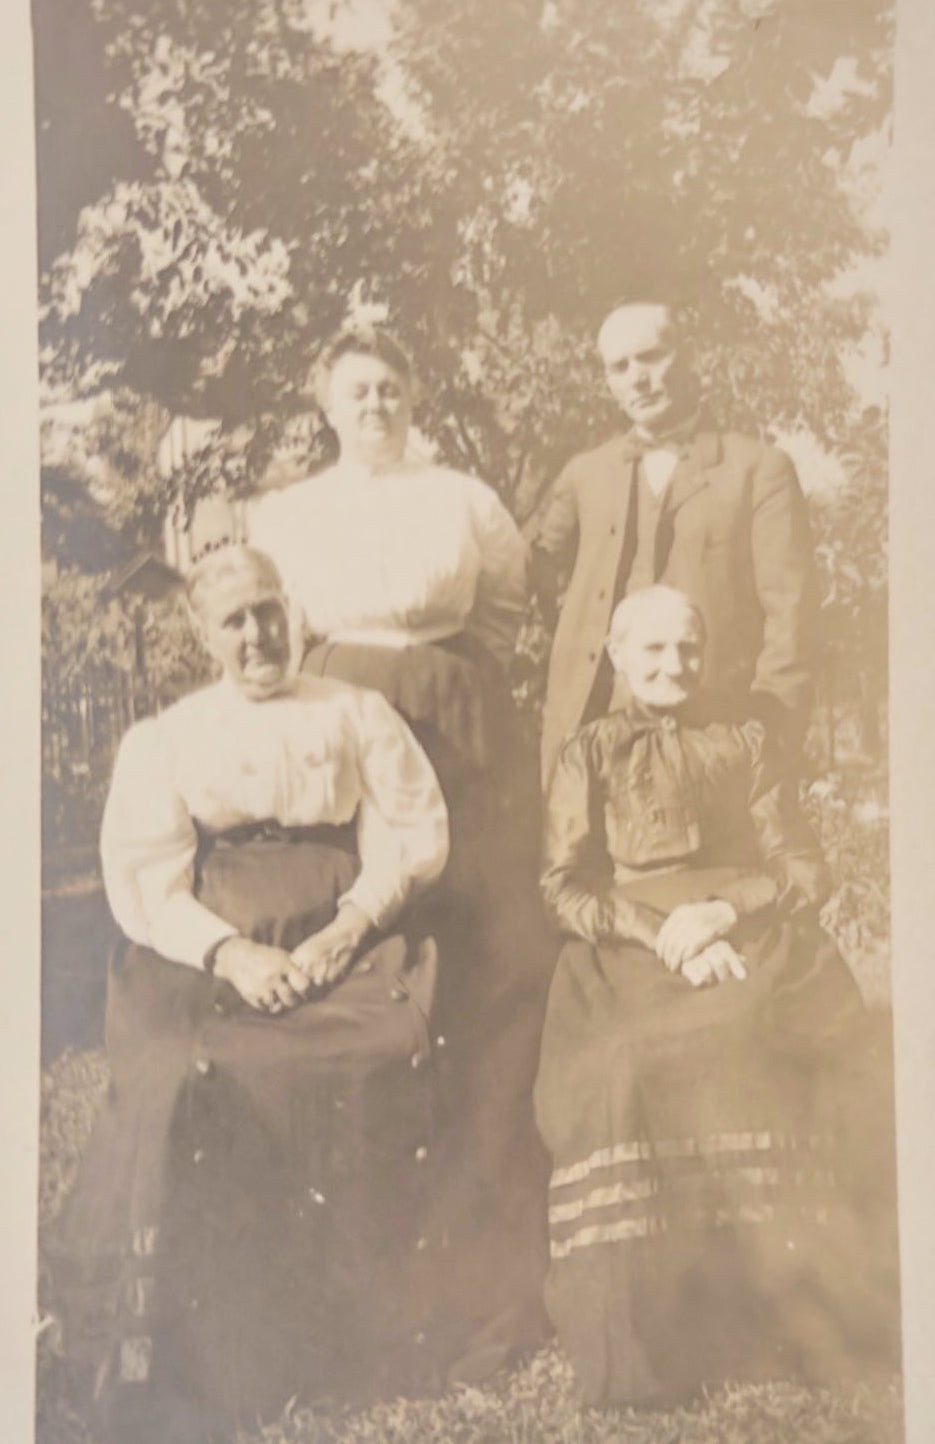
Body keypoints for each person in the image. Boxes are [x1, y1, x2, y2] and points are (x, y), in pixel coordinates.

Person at [51, 546, 451, 1441]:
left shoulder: (356, 711)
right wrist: (231, 955)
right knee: (189, 1073)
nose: (257, 633)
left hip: (345, 929)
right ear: (203, 635)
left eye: (268, 610)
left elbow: (408, 832)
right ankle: (220, 1343)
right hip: (214, 947)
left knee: (383, 1046)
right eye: (232, 620)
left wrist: (349, 928)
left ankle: (363, 1329)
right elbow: (148, 879)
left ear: (291, 612)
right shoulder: (168, 737)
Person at [249, 325, 552, 1379]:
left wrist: (441, 686)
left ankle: (490, 1255)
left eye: (389, 386)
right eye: (356, 391)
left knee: (481, 963)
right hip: (341, 723)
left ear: (412, 394)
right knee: (372, 954)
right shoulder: (287, 514)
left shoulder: (462, 497)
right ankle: (367, 1260)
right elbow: (277, 633)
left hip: (461, 726)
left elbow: (503, 610)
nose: (374, 404)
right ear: (326, 405)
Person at [533, 586, 900, 1406]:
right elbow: (561, 887)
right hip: (629, 947)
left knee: (759, 1036)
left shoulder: (744, 739)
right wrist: (661, 932)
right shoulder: (588, 753)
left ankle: (791, 1316)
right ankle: (650, 1334)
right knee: (623, 1065)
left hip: (747, 931)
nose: (674, 665)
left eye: (688, 648)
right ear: (617, 655)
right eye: (653, 649)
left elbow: (803, 866)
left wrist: (722, 913)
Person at [531, 299, 820, 784]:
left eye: (651, 357)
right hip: (590, 735)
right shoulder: (584, 473)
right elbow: (530, 568)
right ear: (607, 381)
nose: (637, 379)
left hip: (715, 737)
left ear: (688, 359)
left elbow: (792, 617)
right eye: (620, 366)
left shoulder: (759, 469)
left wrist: (769, 736)